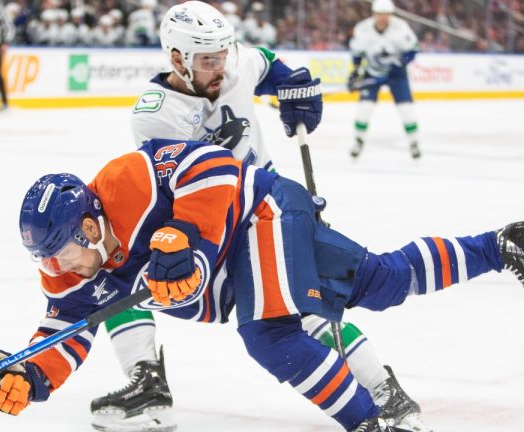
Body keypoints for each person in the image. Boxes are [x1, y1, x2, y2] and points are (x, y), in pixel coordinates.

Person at [0, 139, 524, 432]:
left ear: (88, 222)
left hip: (260, 213)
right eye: (50, 258)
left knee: (271, 334)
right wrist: (30, 372)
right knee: (382, 281)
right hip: (246, 254)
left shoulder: (125, 183)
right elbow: (68, 326)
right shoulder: (66, 266)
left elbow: (214, 165)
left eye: (65, 249)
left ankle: (367, 424)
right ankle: (506, 244)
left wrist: (190, 238)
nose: (63, 265)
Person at [93, 2, 428, 432]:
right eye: (209, 59)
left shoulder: (233, 63)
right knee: (115, 274)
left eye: (223, 53)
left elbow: (266, 64)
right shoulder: (156, 114)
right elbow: (187, 192)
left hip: (266, 212)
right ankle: (148, 382)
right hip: (216, 224)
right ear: (177, 58)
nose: (222, 66)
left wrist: (291, 86)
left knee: (305, 304)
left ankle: (382, 389)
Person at [347, 0, 420, 159]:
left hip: (397, 74)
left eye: (386, 14)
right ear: (374, 14)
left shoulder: (401, 28)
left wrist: (400, 63)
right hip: (372, 72)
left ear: (391, 15)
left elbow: (413, 50)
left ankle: (414, 143)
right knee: (364, 108)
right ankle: (358, 140)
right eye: (379, 14)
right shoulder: (363, 29)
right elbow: (357, 54)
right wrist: (355, 72)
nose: (382, 18)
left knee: (406, 109)